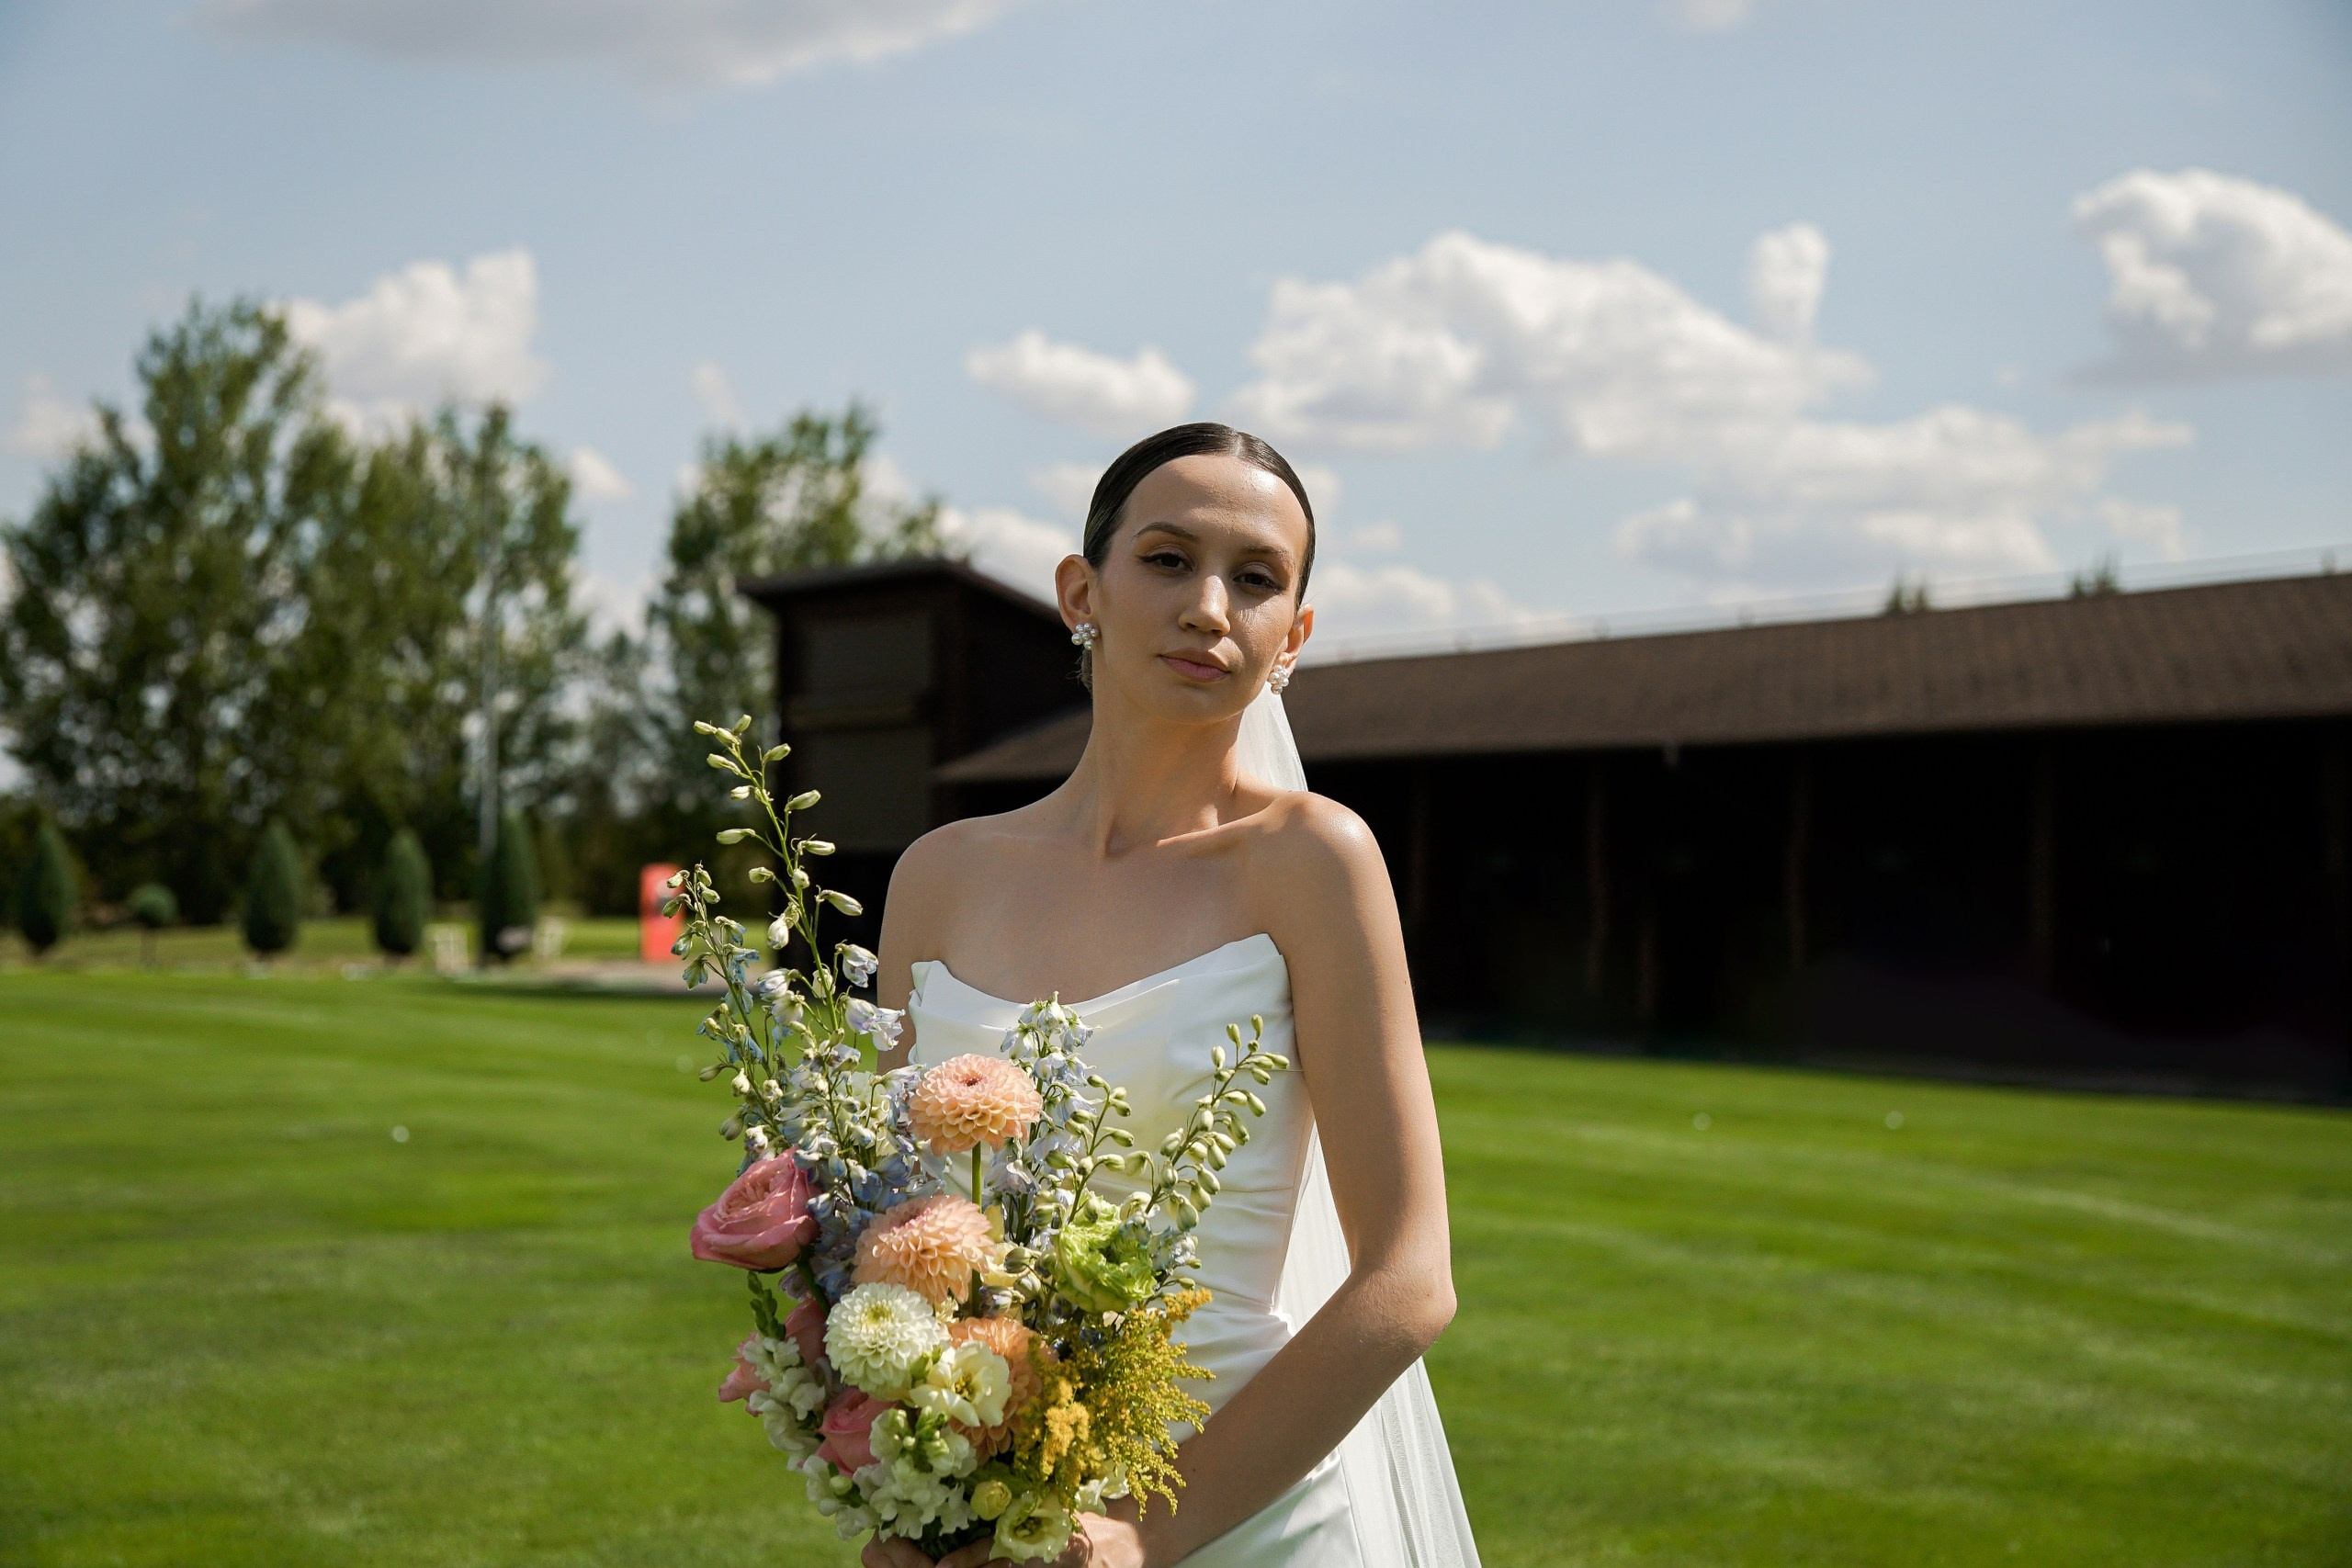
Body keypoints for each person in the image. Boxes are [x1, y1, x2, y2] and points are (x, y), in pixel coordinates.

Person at [871, 423, 1481, 1567]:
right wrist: (896, 1483)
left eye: (1255, 581)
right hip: (984, 1520)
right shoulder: (938, 876)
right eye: (1166, 559)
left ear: (1291, 638)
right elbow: (880, 1229)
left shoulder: (1313, 863)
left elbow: (1408, 1279)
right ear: (1079, 590)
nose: (1209, 605)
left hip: (1253, 1516)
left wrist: (1145, 1535)